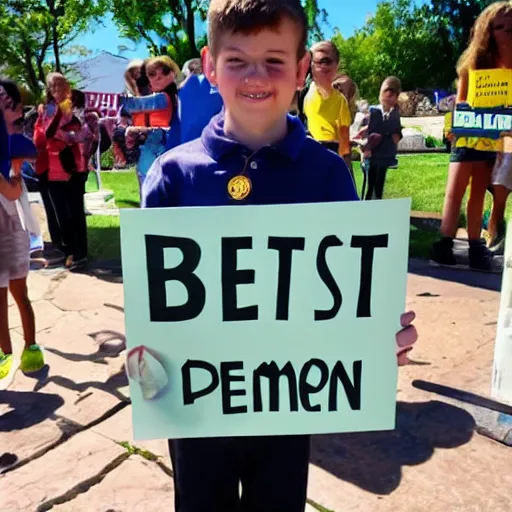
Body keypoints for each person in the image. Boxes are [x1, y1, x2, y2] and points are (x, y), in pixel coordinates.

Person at [141, 1, 418, 510]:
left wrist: (376, 334)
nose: (256, 76)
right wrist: (144, 349)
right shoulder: (171, 177)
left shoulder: (328, 174)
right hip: (196, 405)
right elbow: (154, 301)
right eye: (237, 60)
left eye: (273, 60)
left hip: (287, 403)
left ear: (299, 70)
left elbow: (349, 287)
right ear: (209, 65)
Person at [431, 1, 512, 271]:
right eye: (503, 27)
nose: (508, 33)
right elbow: (460, 102)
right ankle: (445, 243)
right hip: (467, 136)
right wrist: (456, 126)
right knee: (454, 191)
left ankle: (477, 245)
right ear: (488, 31)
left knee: (478, 191)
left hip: (494, 139)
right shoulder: (473, 64)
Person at [0, 98, 45, 384]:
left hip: (9, 229)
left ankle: (27, 347)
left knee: (18, 293)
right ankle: (8, 353)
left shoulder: (12, 142)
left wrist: (15, 167)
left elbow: (14, 192)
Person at [34, 72, 88, 270]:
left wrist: (68, 135)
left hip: (74, 166)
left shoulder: (75, 106)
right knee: (60, 213)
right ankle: (67, 251)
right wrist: (66, 134)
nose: (59, 90)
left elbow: (82, 131)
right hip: (52, 167)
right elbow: (46, 133)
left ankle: (80, 253)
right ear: (49, 90)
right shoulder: (47, 109)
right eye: (54, 86)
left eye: (62, 85)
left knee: (75, 211)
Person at [122, 56, 180, 193]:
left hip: (158, 146)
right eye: (152, 74)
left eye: (164, 72)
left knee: (153, 189)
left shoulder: (163, 98)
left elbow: (131, 105)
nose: (157, 78)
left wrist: (131, 82)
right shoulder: (162, 96)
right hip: (148, 147)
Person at [303, 41, 353, 176]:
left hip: (331, 153)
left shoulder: (340, 100)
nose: (320, 67)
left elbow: (344, 138)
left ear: (336, 66)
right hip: (307, 152)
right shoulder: (301, 94)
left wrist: (345, 168)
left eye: (326, 62)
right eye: (314, 62)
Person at [357, 76, 403, 201]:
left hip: (385, 154)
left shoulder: (394, 115)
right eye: (386, 95)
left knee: (378, 187)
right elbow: (370, 131)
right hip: (373, 154)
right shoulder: (375, 112)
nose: (387, 99)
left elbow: (396, 138)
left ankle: (377, 204)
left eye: (391, 96)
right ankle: (368, 207)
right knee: (370, 185)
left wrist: (392, 120)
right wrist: (366, 148)